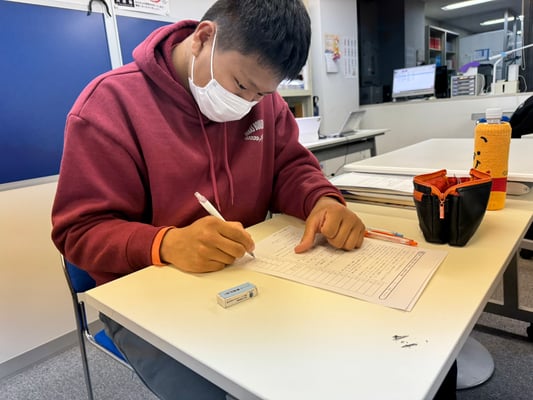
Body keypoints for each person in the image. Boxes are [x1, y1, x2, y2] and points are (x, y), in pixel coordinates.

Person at [51, 1, 456, 399]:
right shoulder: (108, 106)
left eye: (263, 93)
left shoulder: (263, 101)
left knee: (345, 350)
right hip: (147, 297)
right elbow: (79, 232)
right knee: (222, 388)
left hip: (248, 273)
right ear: (203, 39)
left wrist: (322, 200)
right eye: (242, 86)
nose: (247, 104)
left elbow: (290, 167)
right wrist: (166, 243)